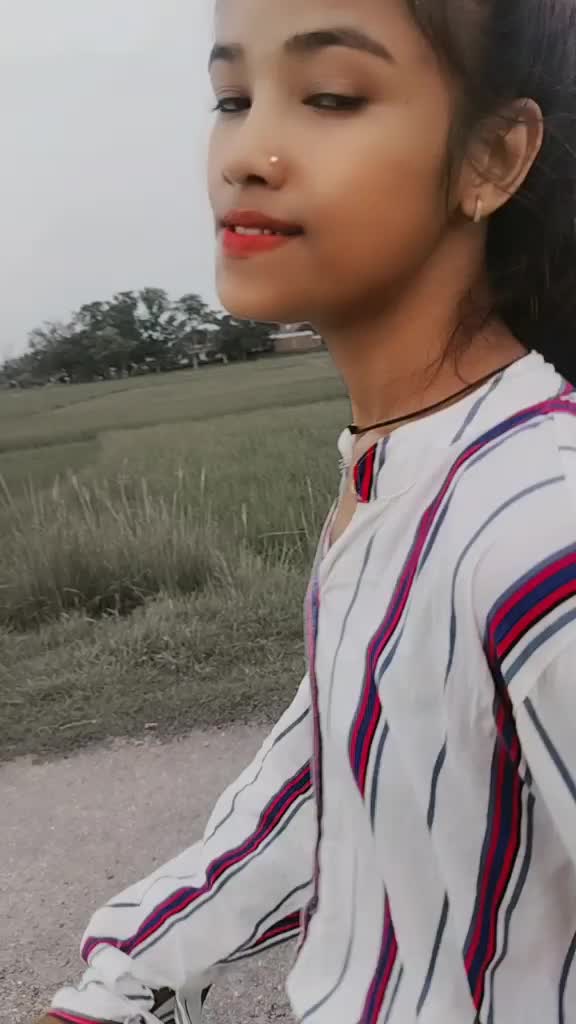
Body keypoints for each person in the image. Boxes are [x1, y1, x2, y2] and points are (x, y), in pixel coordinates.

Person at [40, 0, 576, 1020]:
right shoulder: (402, 472)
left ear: (493, 158)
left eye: (330, 96)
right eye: (232, 99)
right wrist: (122, 978)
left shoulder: (541, 523)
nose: (248, 155)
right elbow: (332, 779)